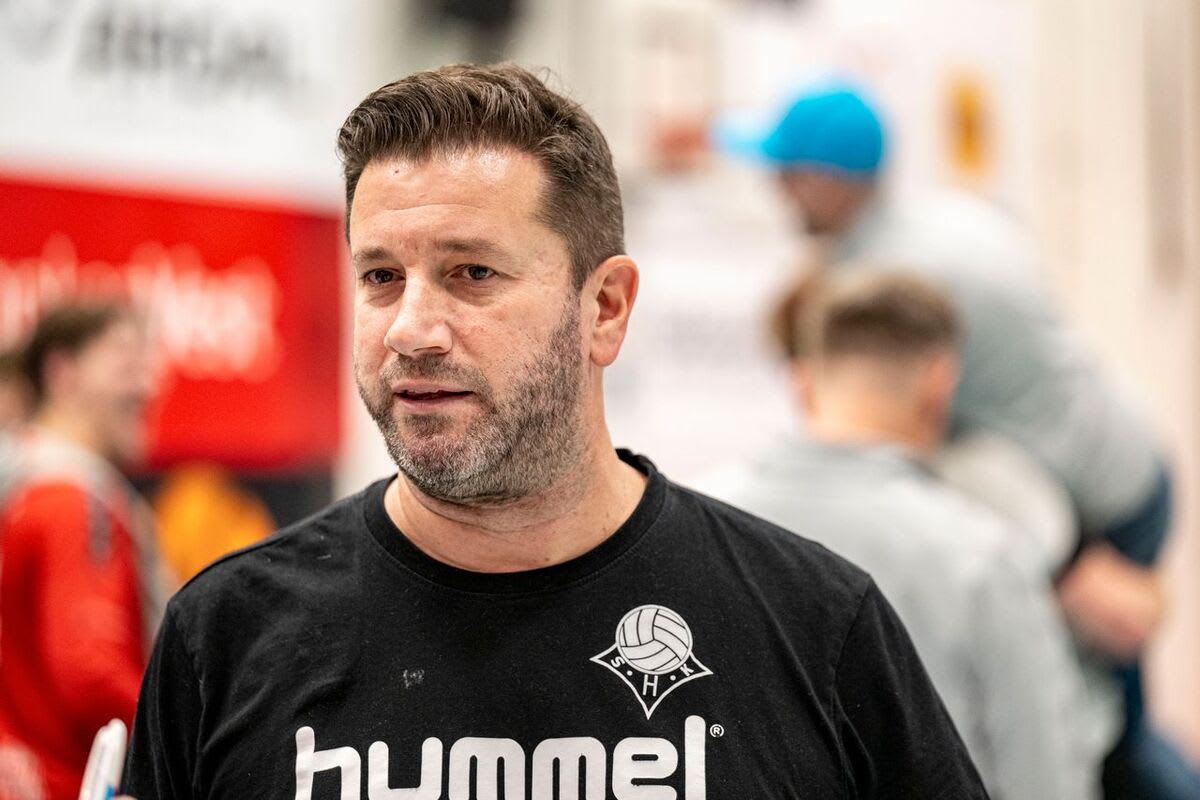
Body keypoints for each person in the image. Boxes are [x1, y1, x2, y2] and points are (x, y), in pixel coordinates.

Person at [121, 63, 986, 799]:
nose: (410, 329)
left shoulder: (814, 630)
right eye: (381, 276)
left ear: (604, 309)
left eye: (471, 273)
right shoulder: (226, 638)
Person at [719, 83, 1190, 800]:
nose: (776, 190)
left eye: (788, 174)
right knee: (1097, 718)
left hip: (1090, 499)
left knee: (1102, 732)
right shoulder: (935, 223)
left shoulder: (895, 281)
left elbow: (955, 442)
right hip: (1118, 455)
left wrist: (1064, 559)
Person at [704, 270, 1116, 800]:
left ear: (801, 383)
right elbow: (1045, 782)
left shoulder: (698, 529)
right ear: (939, 386)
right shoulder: (984, 560)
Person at [0, 303, 166, 800]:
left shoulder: (22, 493)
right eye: (126, 363)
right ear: (62, 371)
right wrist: (187, 732)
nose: (147, 386)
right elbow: (89, 671)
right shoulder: (75, 501)